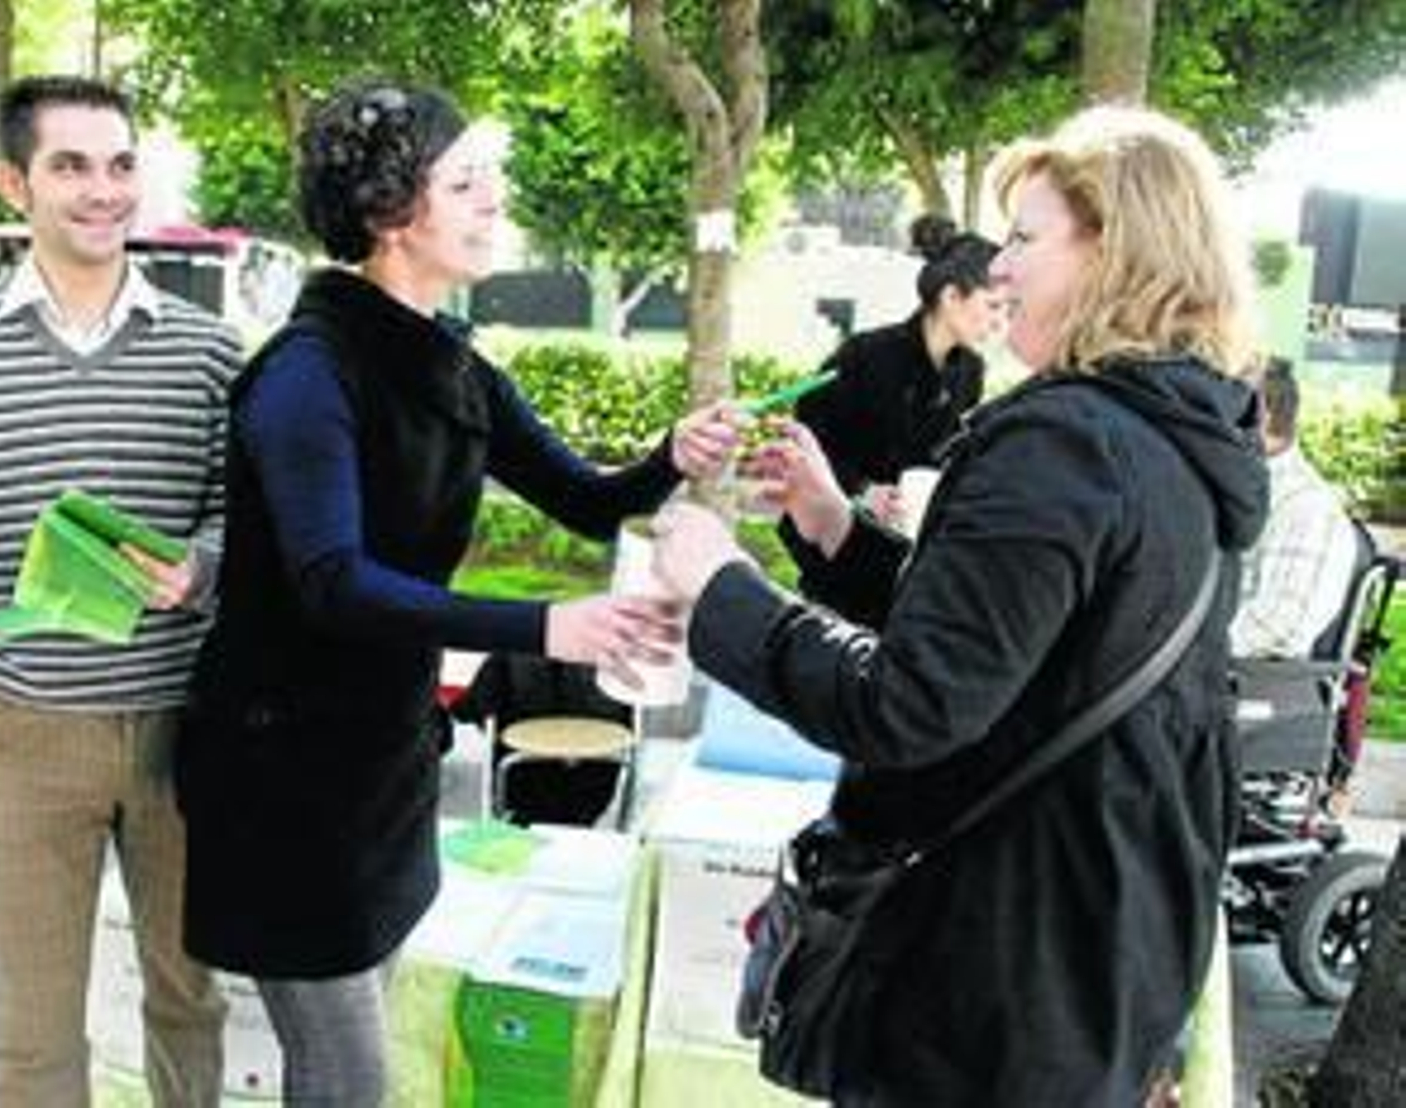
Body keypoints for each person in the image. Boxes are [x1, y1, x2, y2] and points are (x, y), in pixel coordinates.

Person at [650, 105, 1268, 1105]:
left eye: (1025, 237)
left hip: (990, 983)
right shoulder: (1178, 442)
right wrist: (838, 534)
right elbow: (1021, 647)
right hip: (1095, 948)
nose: (1000, 268)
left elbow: (914, 703)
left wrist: (723, 589)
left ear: (1118, 250)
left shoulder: (1067, 442)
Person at [174, 78, 737, 1107]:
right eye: (466, 183)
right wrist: (548, 625)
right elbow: (332, 585)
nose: (494, 201)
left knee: (350, 1059)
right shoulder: (308, 373)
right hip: (280, 776)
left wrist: (671, 454)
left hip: (381, 758)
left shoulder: (452, 363)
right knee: (347, 1077)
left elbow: (585, 499)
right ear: (392, 212)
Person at [0, 76, 235, 1106]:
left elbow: (242, 520)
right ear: (12, 181)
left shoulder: (208, 354)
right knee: (31, 1030)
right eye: (71, 165)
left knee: (191, 999)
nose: (103, 190)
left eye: (119, 164)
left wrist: (200, 565)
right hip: (27, 729)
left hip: (187, 725)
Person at [782, 214, 1003, 617]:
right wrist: (864, 491)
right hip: (834, 546)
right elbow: (803, 442)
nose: (999, 322)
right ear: (952, 296)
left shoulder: (971, 372)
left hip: (911, 553)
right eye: (992, 306)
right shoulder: (864, 355)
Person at [1230, 355, 1360, 658]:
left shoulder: (1306, 508)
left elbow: (1275, 630)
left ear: (1259, 416)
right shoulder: (1235, 484)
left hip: (1247, 688)